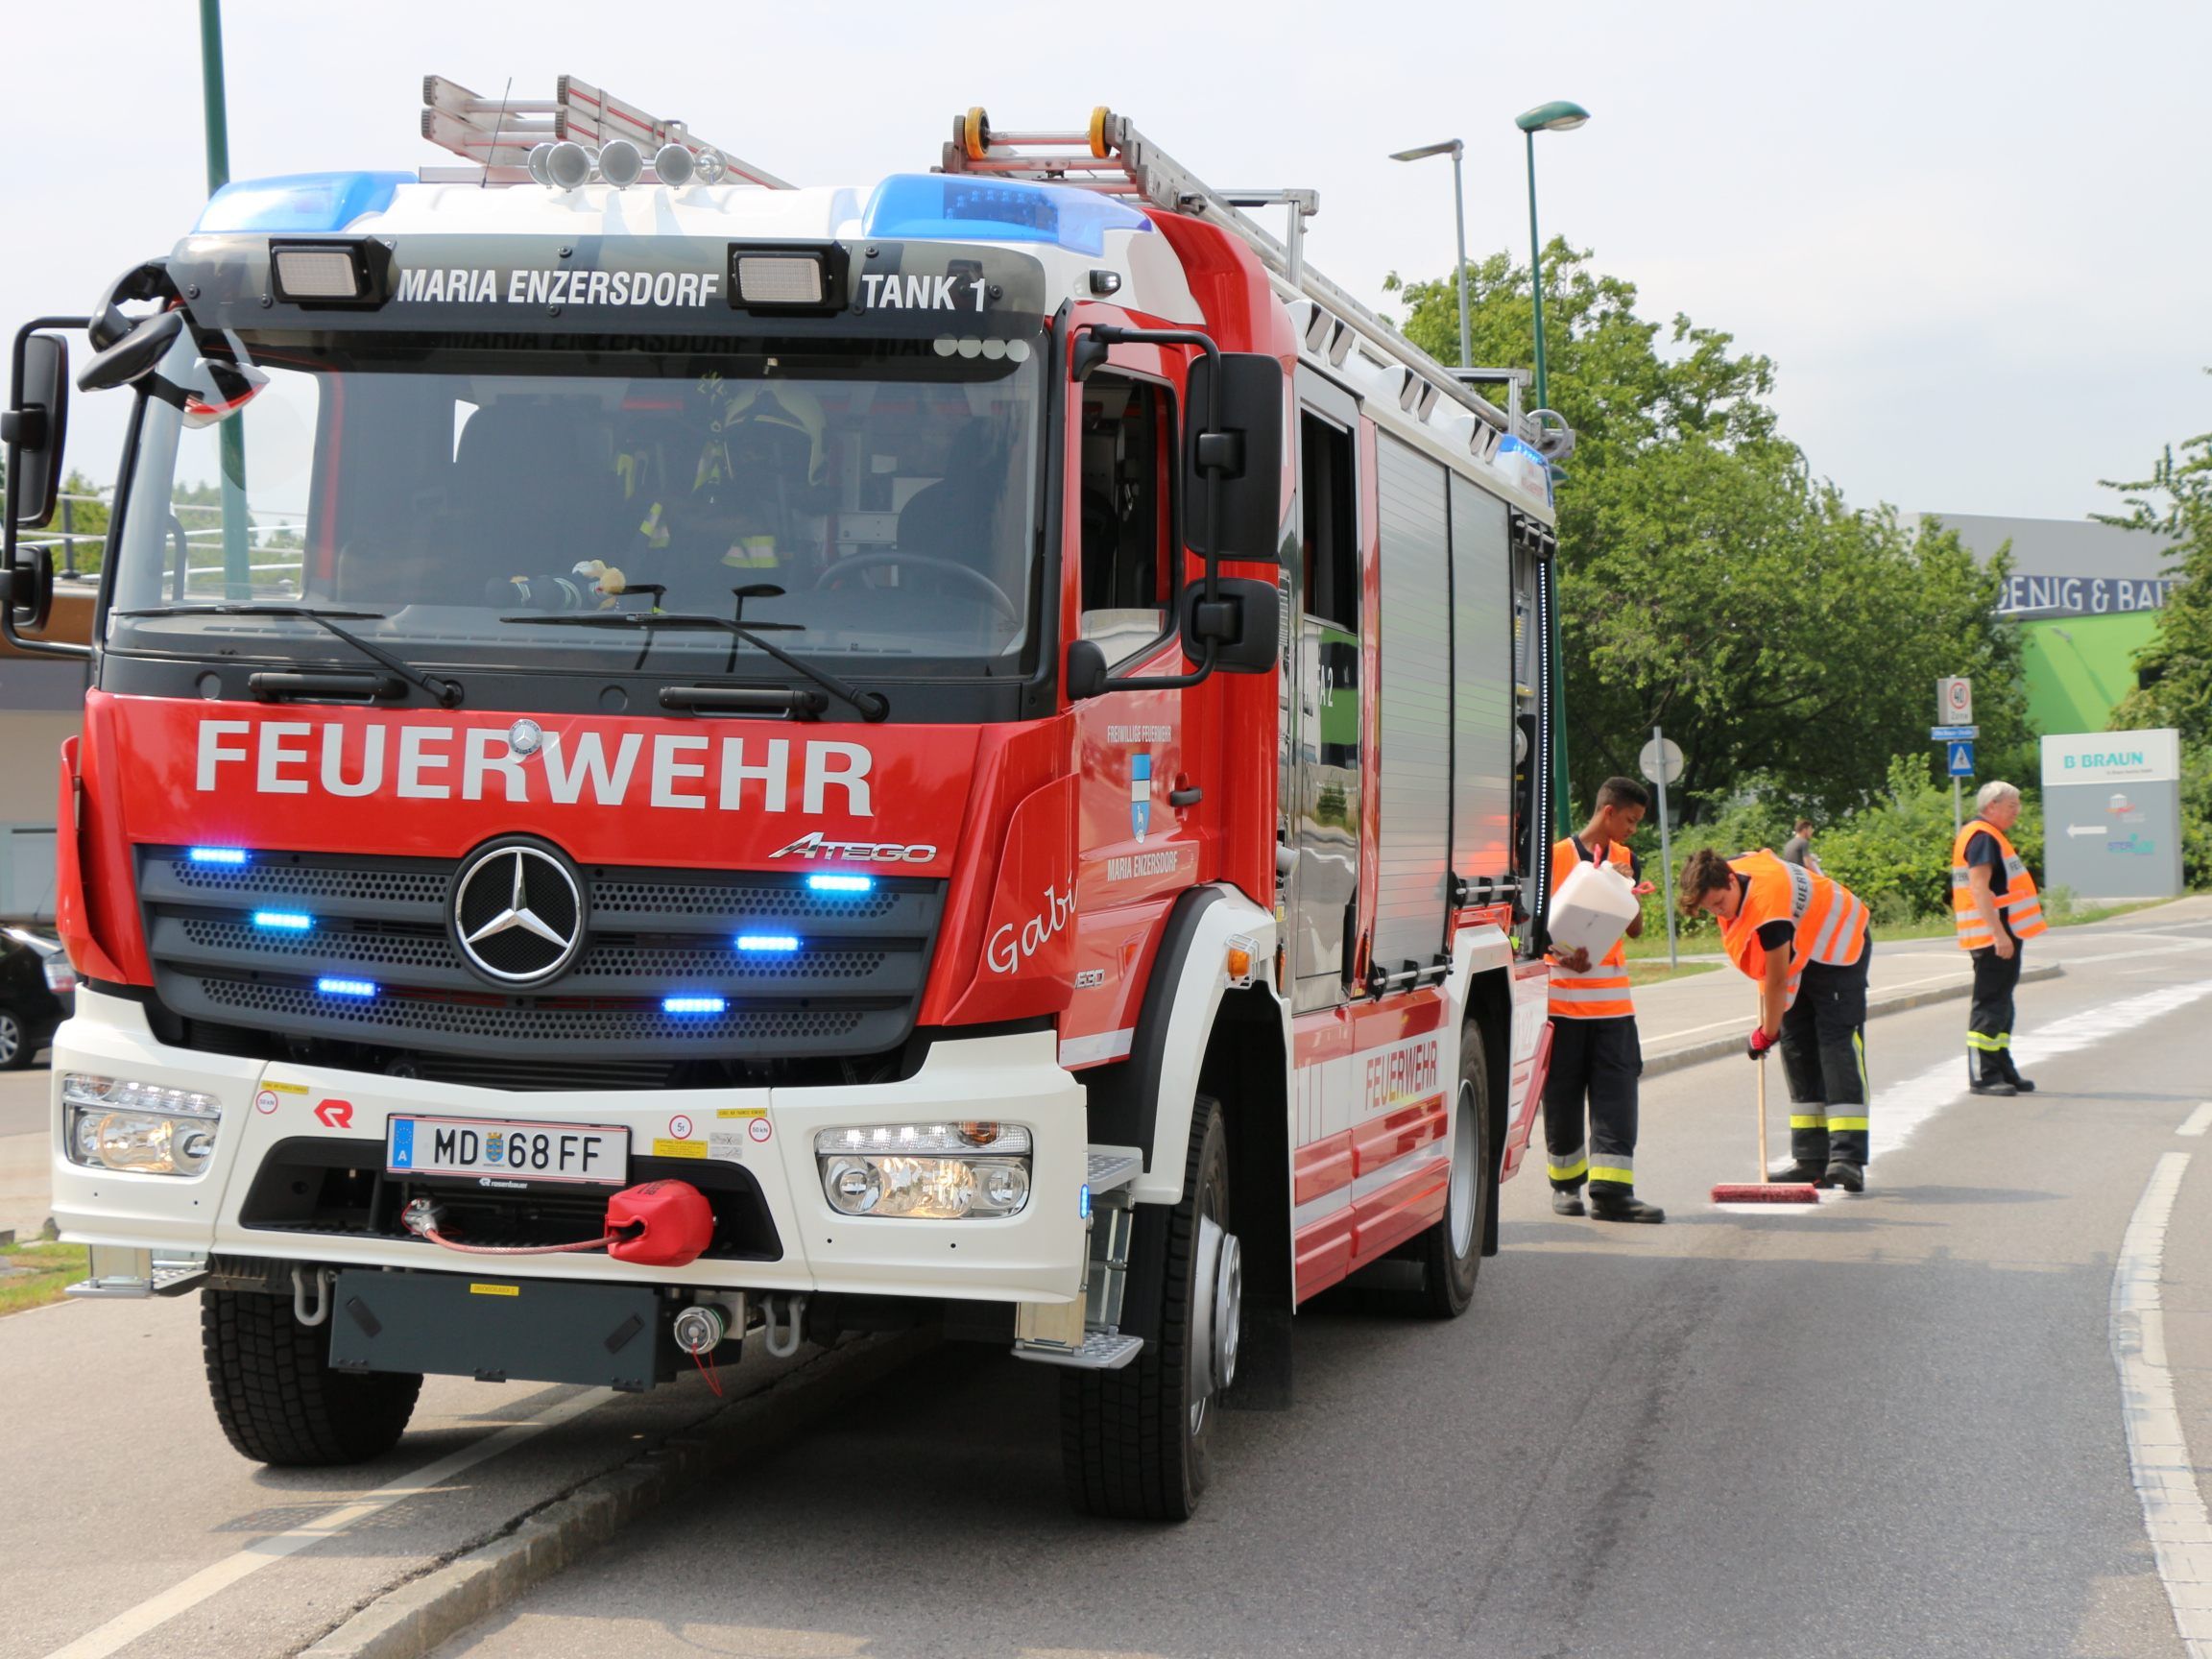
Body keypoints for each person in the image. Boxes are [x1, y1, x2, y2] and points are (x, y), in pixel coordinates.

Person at [1682, 846, 1873, 1191]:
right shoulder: (1730, 870)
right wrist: (1776, 1032)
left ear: (1730, 880)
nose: (1718, 913)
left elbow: (1776, 978)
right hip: (1803, 947)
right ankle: (1811, 1161)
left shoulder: (1769, 906)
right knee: (1797, 1046)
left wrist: (1765, 1033)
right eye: (1710, 908)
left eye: (1720, 903)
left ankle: (1847, 1158)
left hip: (1837, 943)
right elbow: (1754, 853)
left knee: (1835, 1043)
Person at [1544, 777, 1663, 1224]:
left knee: (1617, 1097)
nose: (1633, 830)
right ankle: (1566, 1187)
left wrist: (1626, 891)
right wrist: (1559, 955)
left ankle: (1613, 1194)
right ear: (1608, 812)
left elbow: (1635, 930)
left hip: (1613, 1007)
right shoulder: (1553, 857)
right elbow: (1531, 928)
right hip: (1563, 1005)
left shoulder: (1628, 859)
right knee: (1563, 1095)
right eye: (1630, 820)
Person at [1952, 780, 2047, 1096]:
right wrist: (1998, 934)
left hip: (2003, 933)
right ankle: (1983, 1075)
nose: (2017, 812)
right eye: (2011, 806)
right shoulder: (1982, 837)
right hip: (1992, 935)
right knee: (1990, 1004)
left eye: (2017, 805)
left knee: (2002, 1004)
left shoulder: (1989, 835)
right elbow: (1979, 888)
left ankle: (2002, 1067)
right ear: (1991, 806)